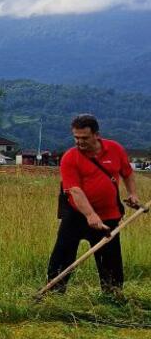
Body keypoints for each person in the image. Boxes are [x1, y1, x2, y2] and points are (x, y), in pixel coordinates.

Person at [46, 114, 142, 294]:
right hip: (76, 214)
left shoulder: (115, 149)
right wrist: (90, 215)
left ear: (96, 135)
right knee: (62, 255)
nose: (79, 142)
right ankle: (53, 294)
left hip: (109, 215)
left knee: (110, 260)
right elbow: (74, 190)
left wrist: (133, 194)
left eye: (84, 138)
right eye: (76, 137)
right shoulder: (69, 157)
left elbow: (127, 172)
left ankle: (112, 296)